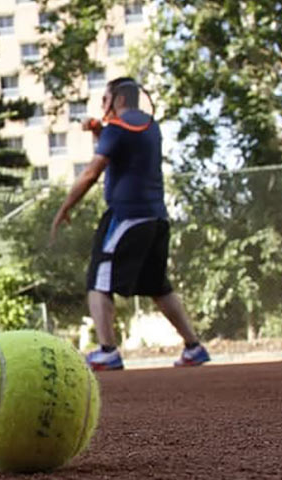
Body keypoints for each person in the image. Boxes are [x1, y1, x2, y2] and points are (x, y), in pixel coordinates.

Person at [49, 77, 210, 371]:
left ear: (118, 101)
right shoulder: (152, 128)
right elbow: (125, 150)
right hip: (157, 218)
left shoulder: (117, 130)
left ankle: (108, 350)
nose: (103, 105)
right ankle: (194, 347)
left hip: (126, 218)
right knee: (158, 286)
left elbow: (91, 173)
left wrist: (65, 207)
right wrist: (99, 131)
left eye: (105, 99)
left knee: (98, 280)